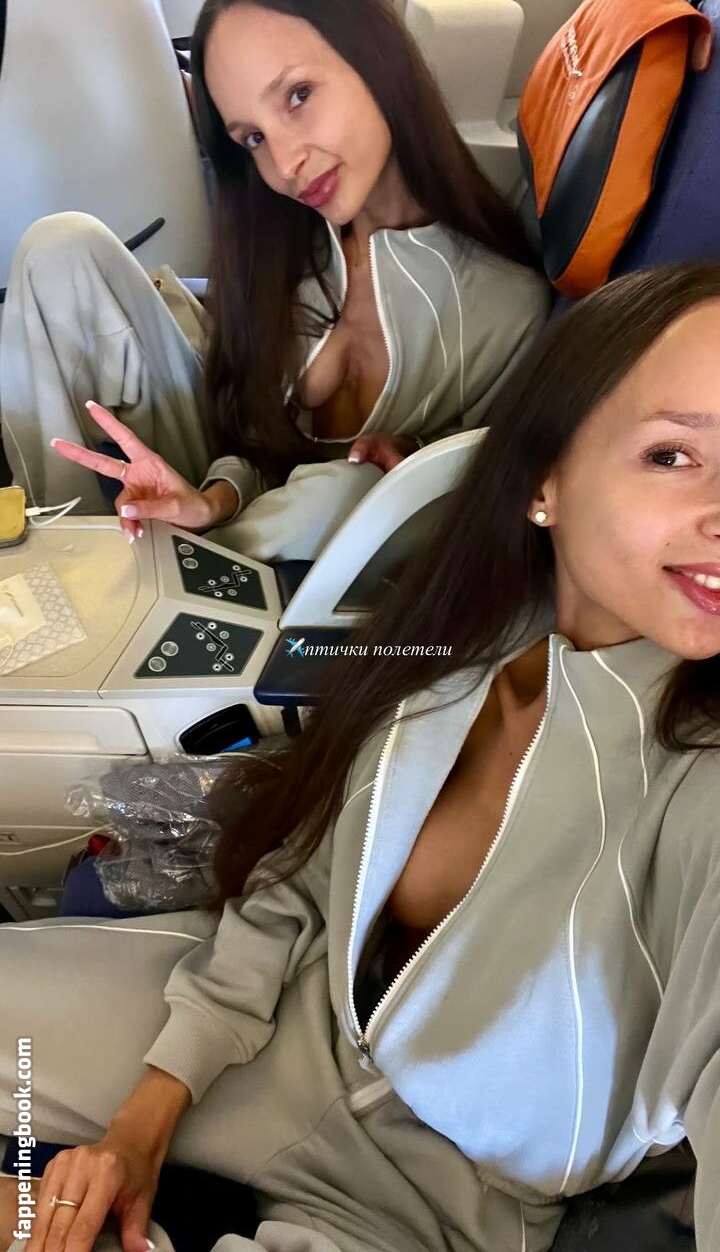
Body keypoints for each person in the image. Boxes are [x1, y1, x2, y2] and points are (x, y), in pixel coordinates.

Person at [3, 262, 720, 1252]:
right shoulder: (460, 638)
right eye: (675, 454)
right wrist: (139, 1124)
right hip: (273, 1032)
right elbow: (304, 876)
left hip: (434, 1203)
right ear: (544, 479)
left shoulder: (701, 784)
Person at [0, 0, 548, 564]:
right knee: (60, 247)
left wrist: (415, 455)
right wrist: (213, 500)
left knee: (341, 493)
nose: (285, 164)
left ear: (375, 57)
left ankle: (169, 579)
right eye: (253, 137)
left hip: (315, 560)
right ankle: (59, 561)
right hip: (224, 484)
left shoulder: (506, 306)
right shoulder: (282, 240)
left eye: (298, 95)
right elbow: (251, 436)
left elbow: (486, 512)